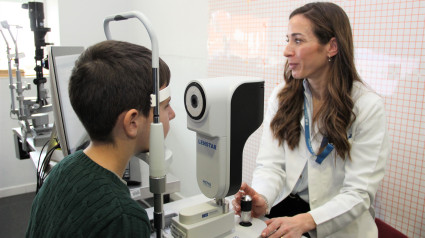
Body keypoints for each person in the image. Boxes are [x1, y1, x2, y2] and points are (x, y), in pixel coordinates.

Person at [232, 2, 390, 238]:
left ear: (332, 46)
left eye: (298, 40)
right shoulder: (282, 96)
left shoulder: (367, 107)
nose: (287, 50)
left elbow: (358, 193)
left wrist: (308, 221)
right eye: (288, 39)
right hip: (286, 210)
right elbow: (271, 166)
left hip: (336, 223)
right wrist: (262, 199)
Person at [26, 40, 175, 237]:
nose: (172, 114)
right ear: (132, 123)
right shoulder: (124, 219)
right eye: (165, 106)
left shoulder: (64, 168)